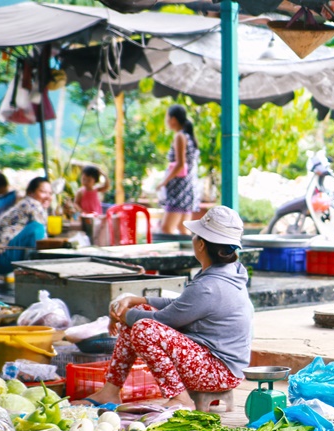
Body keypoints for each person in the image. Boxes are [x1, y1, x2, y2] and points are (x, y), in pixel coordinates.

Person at [75, 206, 253, 410]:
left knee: (144, 328)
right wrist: (136, 300)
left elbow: (165, 319)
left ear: (201, 244)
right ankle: (111, 391)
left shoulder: (209, 286)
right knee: (140, 313)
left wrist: (123, 314)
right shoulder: (228, 272)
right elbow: (183, 305)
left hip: (219, 372)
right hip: (216, 364)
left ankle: (180, 398)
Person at [0, 177, 51, 275]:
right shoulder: (32, 204)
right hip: (2, 257)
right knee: (37, 228)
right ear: (30, 193)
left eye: (50, 193)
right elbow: (43, 241)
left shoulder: (27, 203)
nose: (48, 197)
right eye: (43, 192)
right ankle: (35, 270)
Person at [157, 104, 199, 235]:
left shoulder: (180, 136)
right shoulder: (189, 136)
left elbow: (180, 164)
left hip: (179, 190)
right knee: (183, 228)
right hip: (188, 188)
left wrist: (164, 181)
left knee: (166, 228)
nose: (166, 121)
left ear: (173, 119)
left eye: (167, 118)